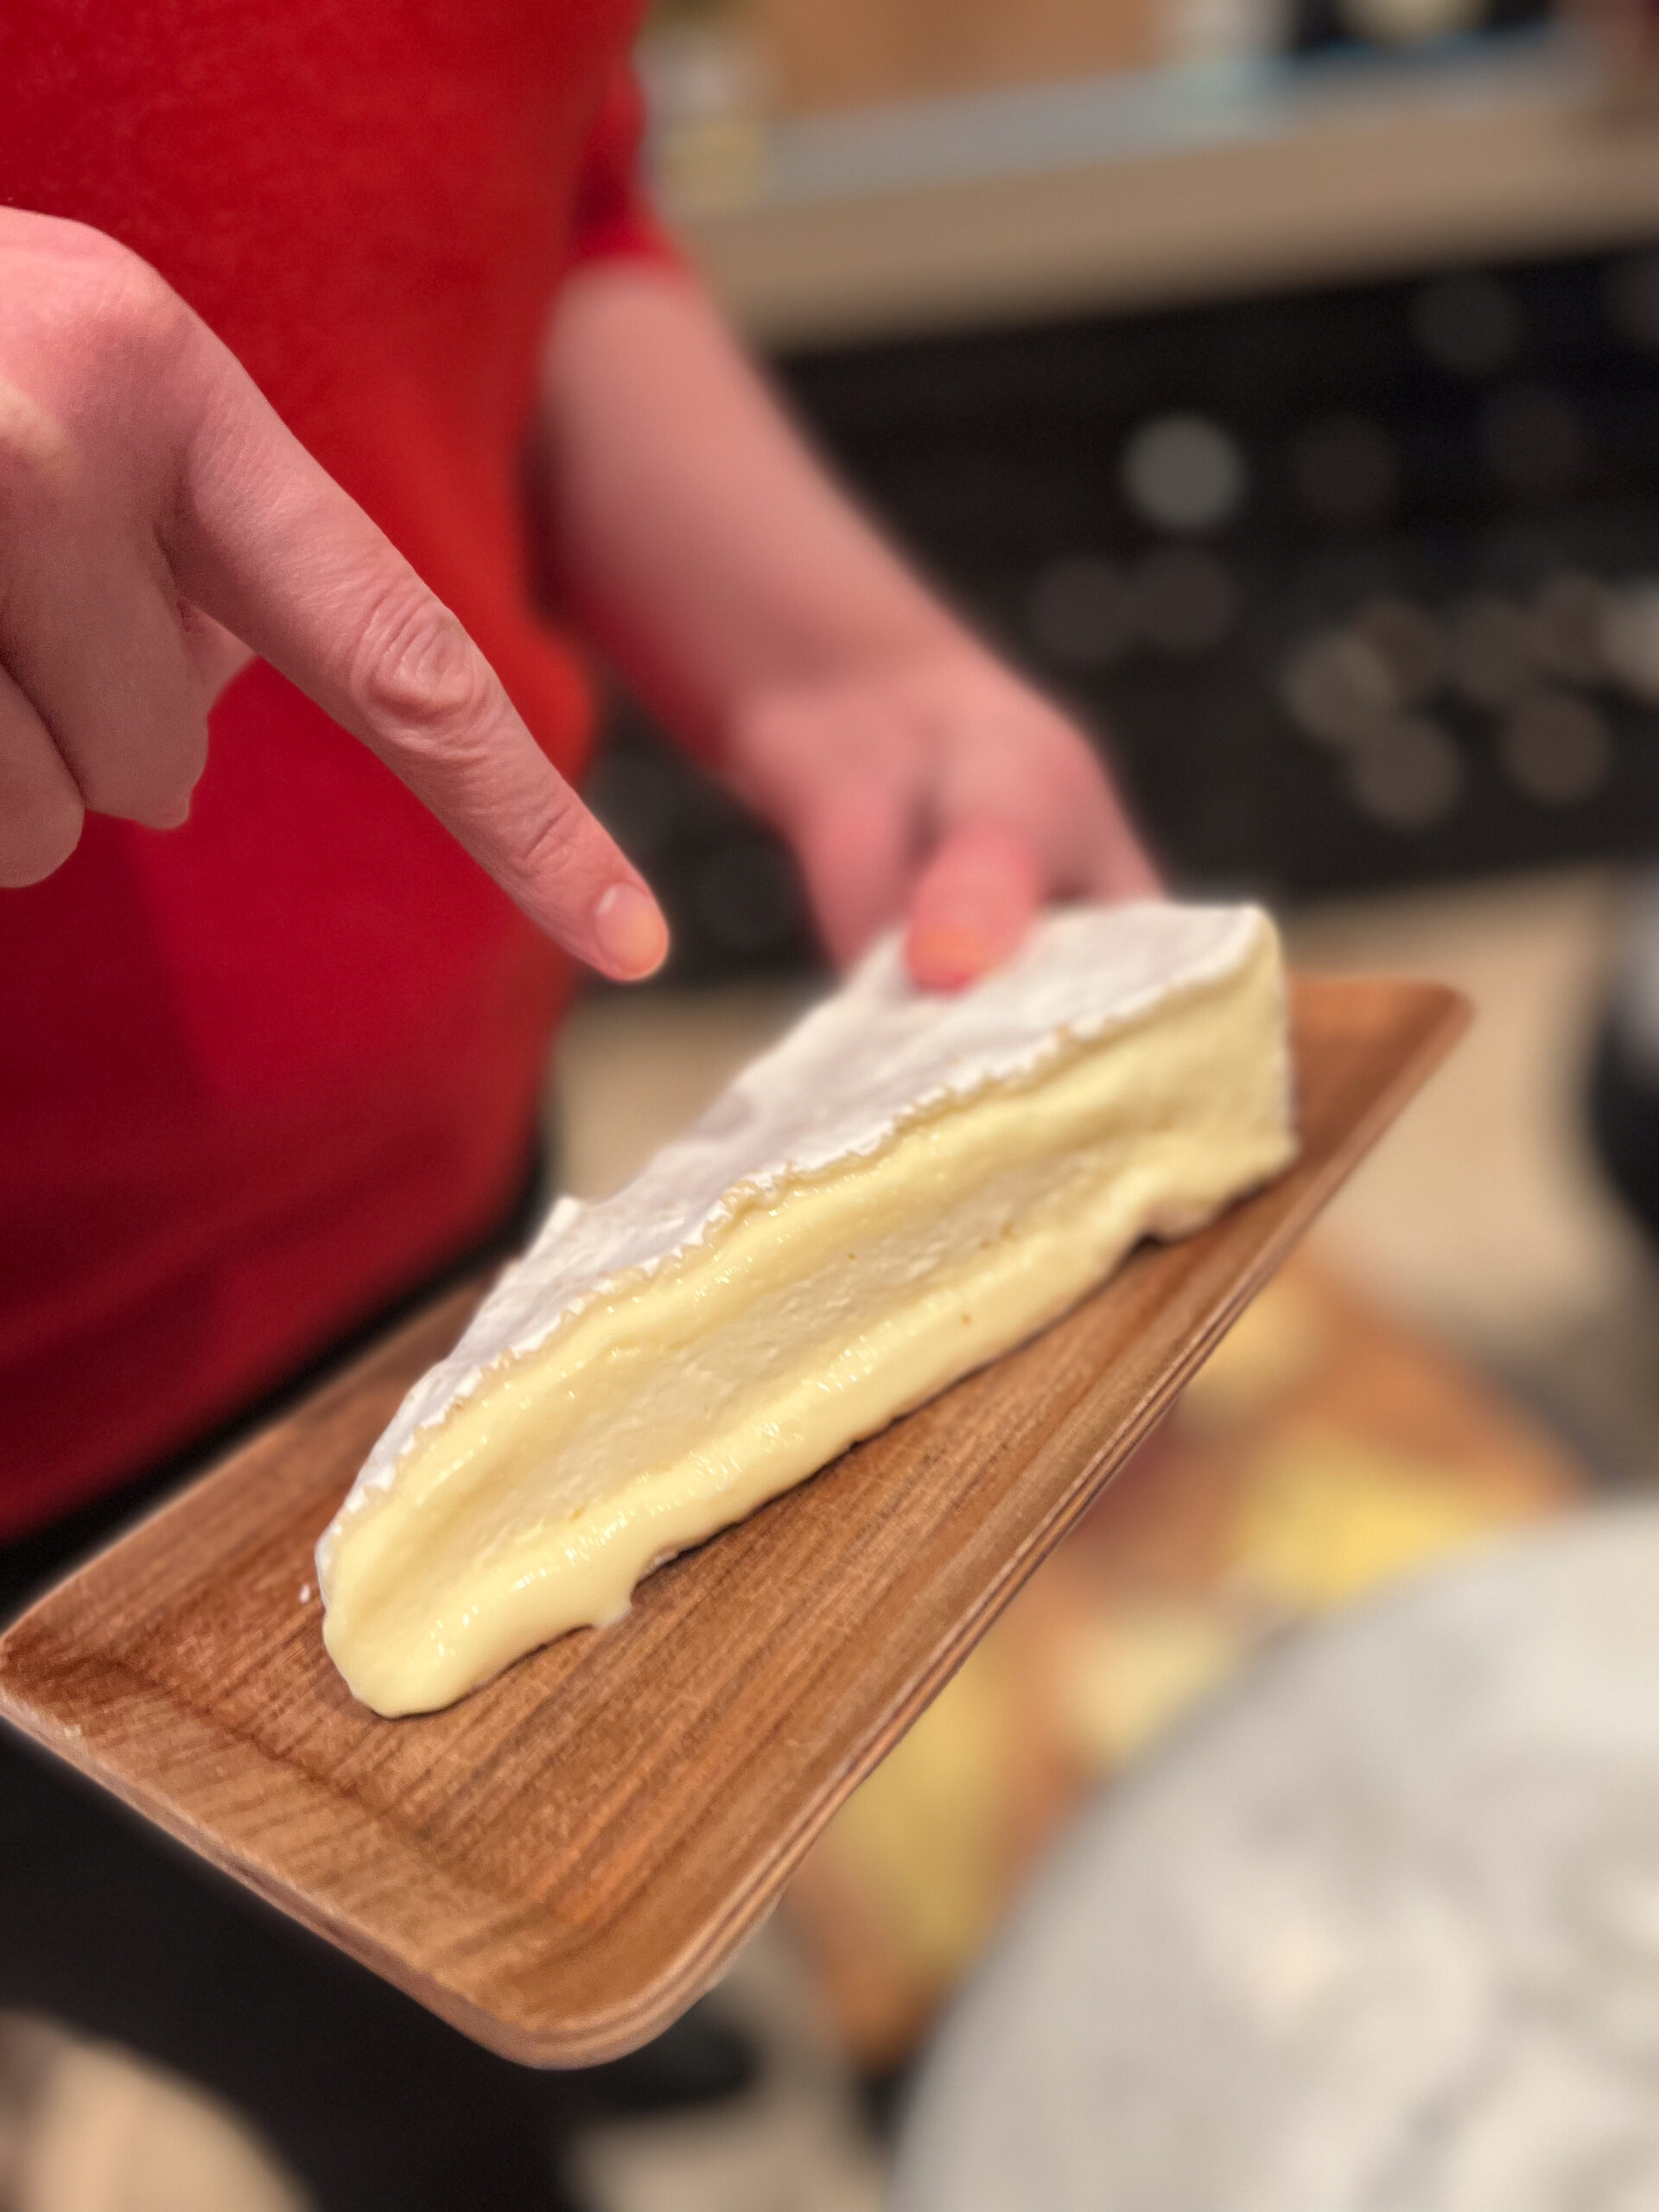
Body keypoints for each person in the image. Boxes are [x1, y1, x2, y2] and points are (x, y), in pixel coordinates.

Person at [0, 3, 1154, 2205]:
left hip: (450, 1207)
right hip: (39, 1461)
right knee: (378, 2077)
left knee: (524, 1875)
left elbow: (527, 188)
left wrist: (836, 663)